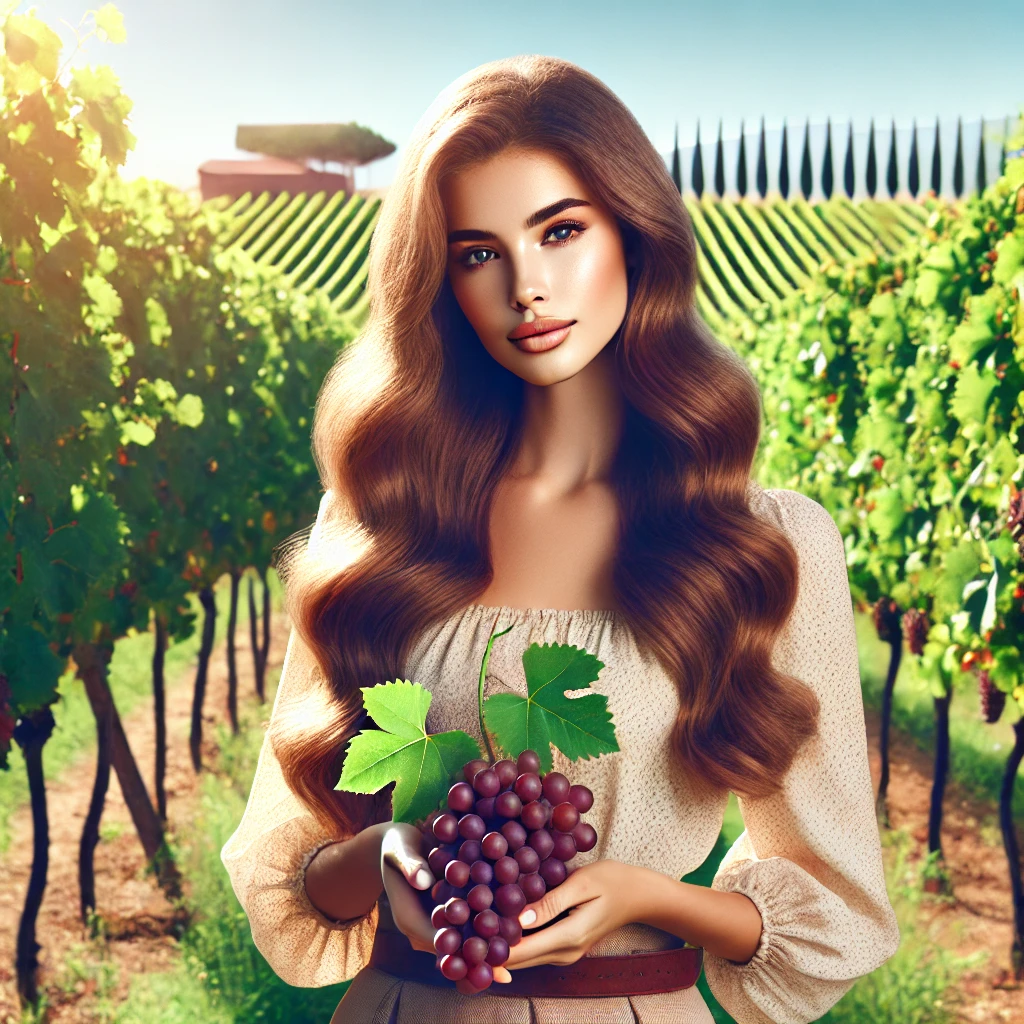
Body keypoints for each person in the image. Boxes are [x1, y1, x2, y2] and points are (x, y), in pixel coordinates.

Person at [220, 54, 901, 1024]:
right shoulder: (378, 527)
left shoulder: (762, 542)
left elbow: (836, 905)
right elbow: (290, 876)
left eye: (560, 230)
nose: (527, 287)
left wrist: (645, 897)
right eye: (478, 251)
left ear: (636, 234)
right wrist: (380, 855)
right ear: (442, 279)